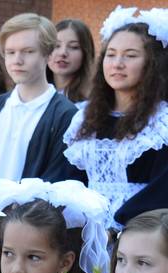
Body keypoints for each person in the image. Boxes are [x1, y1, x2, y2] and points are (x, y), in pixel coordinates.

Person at [63, 10, 168, 228]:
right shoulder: (83, 118)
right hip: (85, 231)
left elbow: (162, 188)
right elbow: (71, 182)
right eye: (111, 54)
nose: (117, 63)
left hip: (141, 233)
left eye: (130, 55)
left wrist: (120, 224)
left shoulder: (161, 122)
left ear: (153, 64)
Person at [0, 13, 80, 198]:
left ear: (48, 54)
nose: (17, 60)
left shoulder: (66, 115)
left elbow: (55, 182)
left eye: (28, 51)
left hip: (31, 222)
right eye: (10, 52)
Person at [48, 18, 95, 103]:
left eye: (74, 47)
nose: (63, 53)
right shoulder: (33, 94)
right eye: (56, 46)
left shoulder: (90, 103)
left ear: (86, 53)